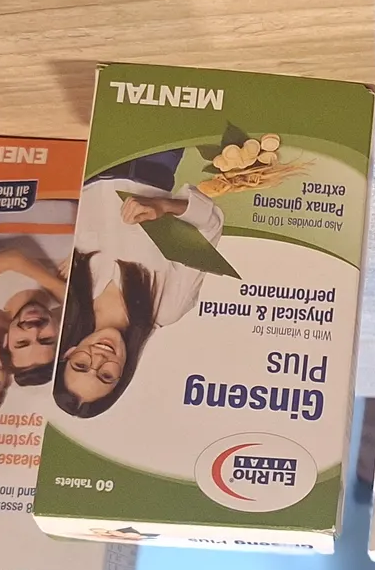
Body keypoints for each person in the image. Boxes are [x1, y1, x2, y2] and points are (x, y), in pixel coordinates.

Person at [54, 147, 237, 418]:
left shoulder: (70, 292)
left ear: (69, 353)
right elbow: (210, 225)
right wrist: (163, 207)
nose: (99, 358)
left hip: (89, 159)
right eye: (105, 375)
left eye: (81, 365)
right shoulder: (166, 308)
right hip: (153, 161)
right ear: (122, 375)